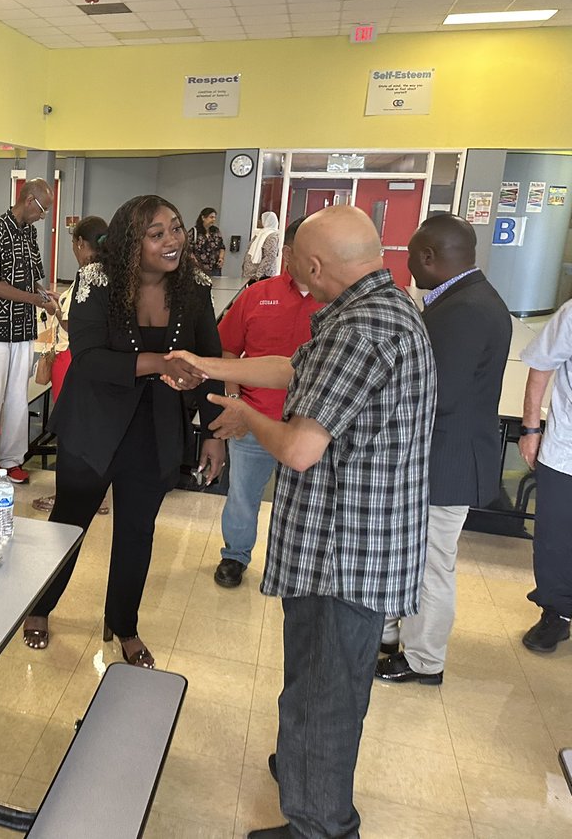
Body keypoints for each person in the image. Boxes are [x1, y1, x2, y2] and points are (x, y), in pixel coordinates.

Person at [168, 205, 435, 839]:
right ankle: (303, 767)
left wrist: (244, 420)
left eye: (297, 268)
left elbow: (298, 448)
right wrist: (213, 368)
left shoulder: (361, 327)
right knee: (315, 681)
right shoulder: (379, 310)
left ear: (313, 265)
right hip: (347, 543)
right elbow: (294, 368)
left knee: (328, 695)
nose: (294, 280)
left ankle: (321, 824)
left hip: (344, 553)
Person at [20, 195, 226, 667]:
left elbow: (209, 359)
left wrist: (213, 430)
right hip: (94, 423)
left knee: (137, 532)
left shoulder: (193, 286)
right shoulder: (97, 281)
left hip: (155, 430)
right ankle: (41, 605)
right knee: (68, 525)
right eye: (158, 233)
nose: (173, 240)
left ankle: (124, 622)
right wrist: (161, 362)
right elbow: (89, 359)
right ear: (134, 242)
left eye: (176, 228)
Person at [376, 214, 511, 683]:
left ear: (429, 257)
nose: (407, 263)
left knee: (432, 565)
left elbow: (440, 393)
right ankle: (394, 635)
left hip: (446, 461)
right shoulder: (464, 298)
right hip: (441, 457)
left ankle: (423, 660)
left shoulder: (465, 308)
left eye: (411, 256)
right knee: (413, 556)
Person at [213, 217, 322, 589]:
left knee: (309, 503)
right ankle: (235, 556)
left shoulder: (339, 302)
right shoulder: (257, 295)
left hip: (312, 427)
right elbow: (227, 349)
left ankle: (301, 564)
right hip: (253, 420)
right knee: (242, 495)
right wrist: (233, 402)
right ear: (288, 253)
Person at [0, 178, 60, 488]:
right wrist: (34, 299)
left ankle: (12, 460)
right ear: (29, 200)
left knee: (18, 395)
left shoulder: (29, 234)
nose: (44, 216)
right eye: (43, 209)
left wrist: (45, 294)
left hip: (22, 328)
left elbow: (32, 278)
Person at [32, 216, 108, 515]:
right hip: (94, 362)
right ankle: (96, 492)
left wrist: (54, 308)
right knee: (93, 428)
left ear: (79, 243)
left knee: (71, 431)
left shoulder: (88, 275)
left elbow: (75, 322)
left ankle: (68, 495)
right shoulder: (110, 272)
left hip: (72, 359)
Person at [517, 300, 572, 652]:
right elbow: (540, 367)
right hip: (566, 450)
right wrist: (530, 428)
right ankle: (556, 613)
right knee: (555, 540)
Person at [242, 211, 281, 283]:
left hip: (262, 276)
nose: (259, 221)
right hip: (251, 275)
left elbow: (270, 256)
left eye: (261, 219)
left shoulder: (272, 236)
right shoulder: (260, 234)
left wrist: (259, 274)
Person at [187, 206, 225, 276]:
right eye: (211, 217)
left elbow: (221, 247)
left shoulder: (216, 231)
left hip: (215, 268)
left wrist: (221, 258)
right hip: (199, 269)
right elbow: (188, 250)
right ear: (203, 218)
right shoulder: (194, 232)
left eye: (214, 217)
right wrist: (195, 263)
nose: (213, 219)